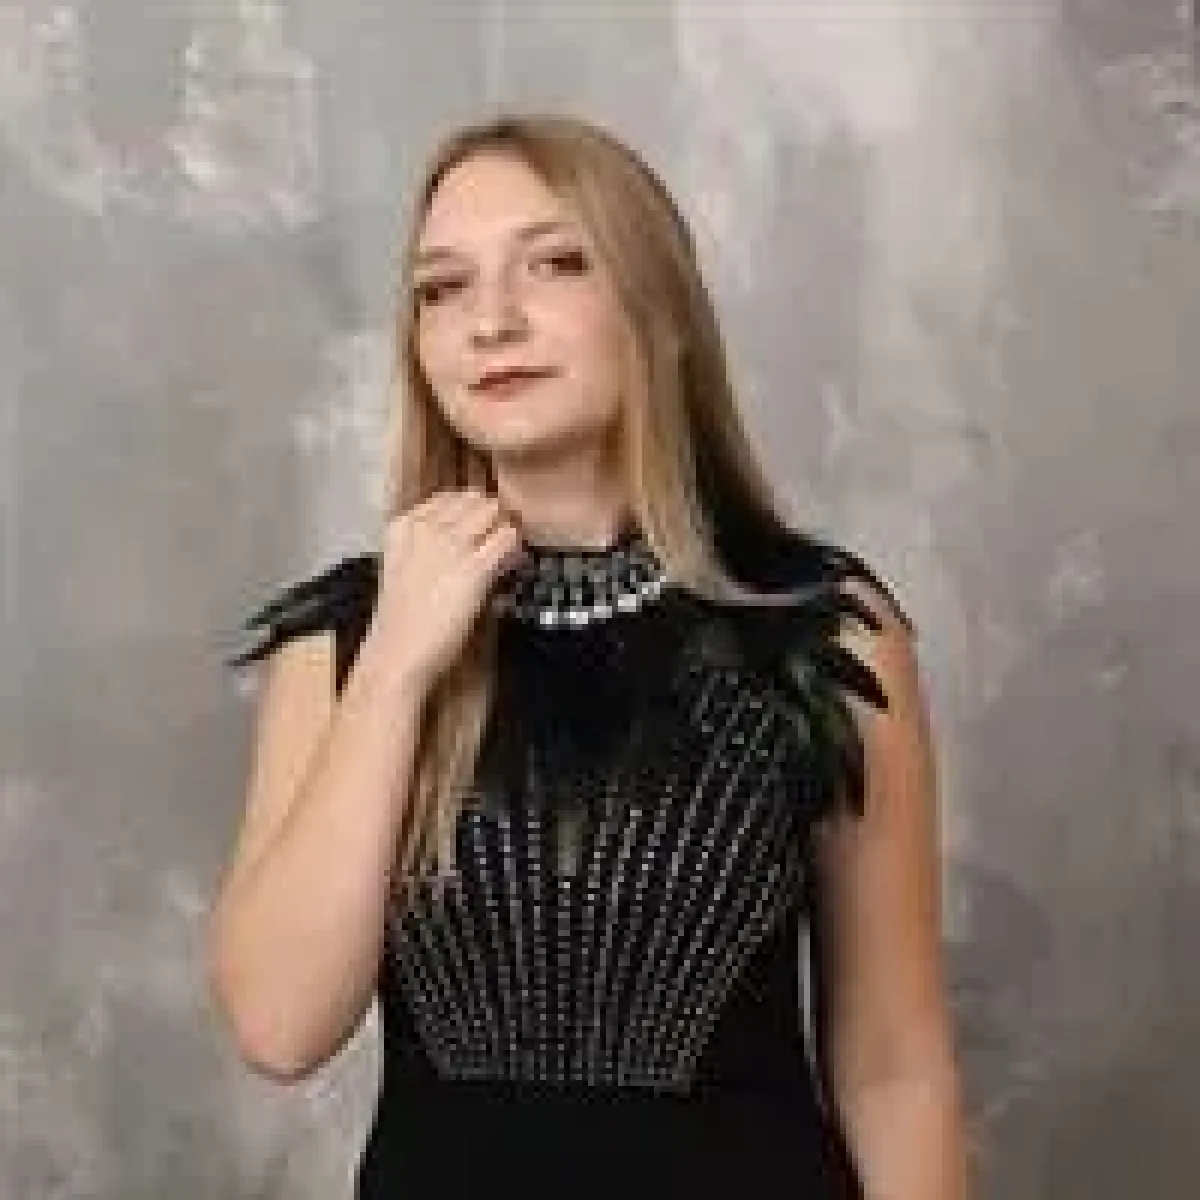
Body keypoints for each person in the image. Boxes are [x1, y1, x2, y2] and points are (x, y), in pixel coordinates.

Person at [207, 112, 971, 1199]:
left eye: (555, 264)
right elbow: (280, 1026)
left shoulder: (819, 632)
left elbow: (894, 1066)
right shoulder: (347, 644)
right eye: (442, 288)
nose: (492, 322)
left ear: (658, 310)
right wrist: (394, 670)